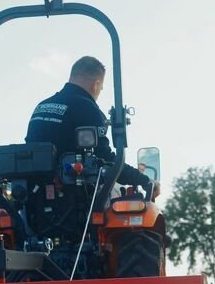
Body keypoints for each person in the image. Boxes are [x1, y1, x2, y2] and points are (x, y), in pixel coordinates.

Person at [26, 56, 159, 200]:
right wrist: (143, 180)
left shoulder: (42, 106)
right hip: (73, 201)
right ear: (96, 85)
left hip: (32, 198)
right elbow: (106, 159)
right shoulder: (88, 108)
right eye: (100, 88)